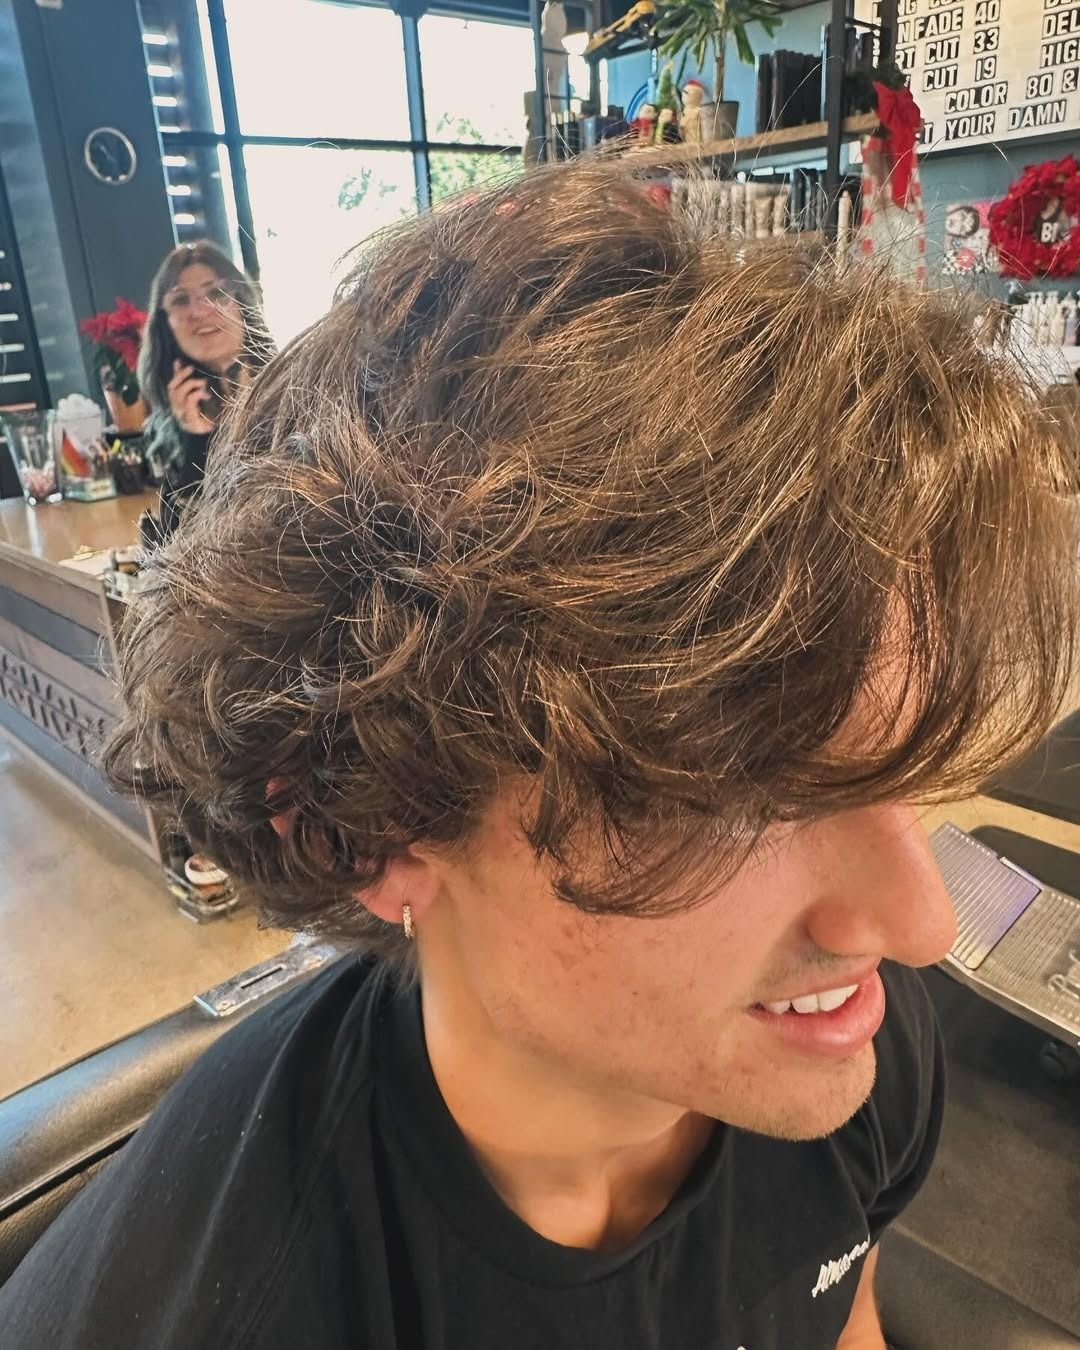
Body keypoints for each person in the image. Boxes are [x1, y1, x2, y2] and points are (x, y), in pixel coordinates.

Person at [2, 160, 1076, 1349]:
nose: (919, 927)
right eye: (737, 794)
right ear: (359, 820)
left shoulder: (856, 1050)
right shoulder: (241, 1305)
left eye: (885, 773)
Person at [137, 240, 272, 543]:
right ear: (165, 323)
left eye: (216, 293)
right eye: (181, 300)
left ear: (241, 302)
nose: (200, 311)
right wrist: (196, 438)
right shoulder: (175, 412)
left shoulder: (291, 385)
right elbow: (182, 543)